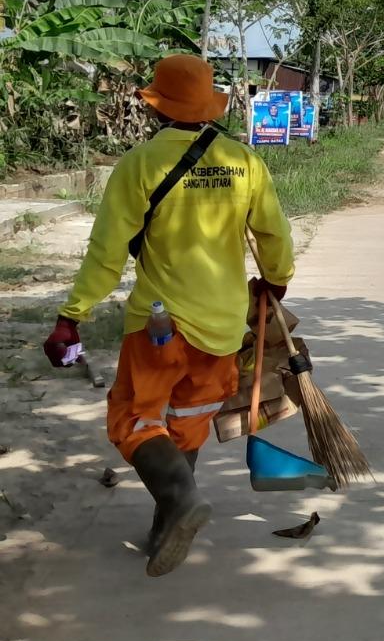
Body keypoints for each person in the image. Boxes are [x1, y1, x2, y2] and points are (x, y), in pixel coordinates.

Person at [42, 54, 295, 577]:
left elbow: (108, 250)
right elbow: (273, 233)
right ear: (207, 107)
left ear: (157, 107)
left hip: (160, 325)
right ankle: (167, 524)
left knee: (132, 419)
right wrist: (276, 281)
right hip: (222, 327)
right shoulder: (243, 161)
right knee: (184, 423)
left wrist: (73, 315)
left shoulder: (139, 164)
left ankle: (180, 500)